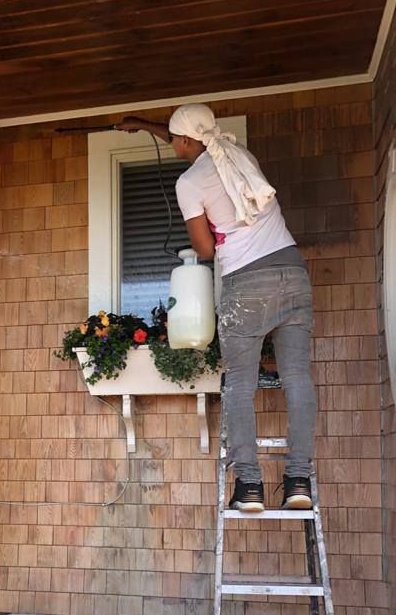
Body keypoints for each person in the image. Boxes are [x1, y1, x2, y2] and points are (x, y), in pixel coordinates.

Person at [117, 104, 315, 513]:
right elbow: (188, 137)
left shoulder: (189, 182)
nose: (171, 143)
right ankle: (299, 479)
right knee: (297, 376)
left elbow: (205, 248)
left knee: (240, 382)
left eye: (174, 139)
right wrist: (141, 124)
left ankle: (249, 485)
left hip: (247, 282)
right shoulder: (240, 155)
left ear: (185, 141)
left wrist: (214, 233)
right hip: (293, 273)